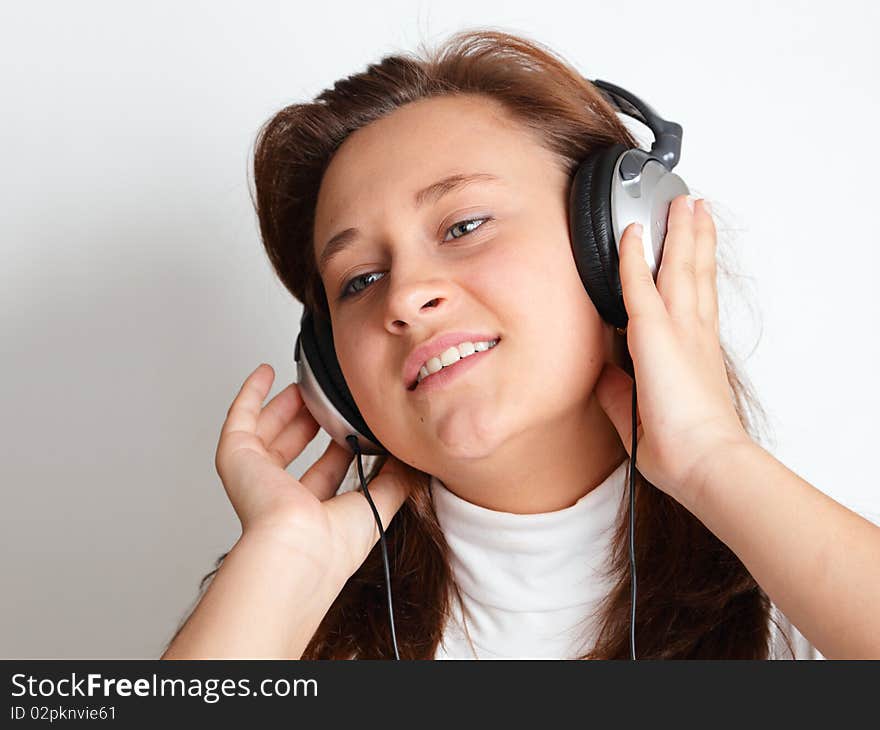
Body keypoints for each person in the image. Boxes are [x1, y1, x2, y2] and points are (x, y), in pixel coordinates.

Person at [161, 29, 880, 660]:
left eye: (464, 226)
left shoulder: (805, 607)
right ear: (332, 380)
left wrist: (711, 459)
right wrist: (282, 566)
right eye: (361, 279)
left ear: (625, 235)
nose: (406, 297)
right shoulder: (282, 630)